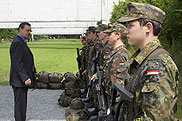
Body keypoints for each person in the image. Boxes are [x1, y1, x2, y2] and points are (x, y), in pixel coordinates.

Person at [117, 2, 179, 120]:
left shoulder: (158, 65)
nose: (125, 31)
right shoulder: (143, 60)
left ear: (148, 27)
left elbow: (156, 118)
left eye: (130, 26)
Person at [10, 22, 36, 121]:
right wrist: (25, 77)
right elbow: (17, 63)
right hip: (19, 80)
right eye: (27, 30)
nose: (29, 32)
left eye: (30, 31)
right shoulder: (17, 42)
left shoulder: (21, 41)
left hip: (21, 80)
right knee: (20, 106)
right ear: (20, 29)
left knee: (22, 105)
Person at [104, 23, 128, 96]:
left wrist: (115, 104)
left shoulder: (120, 55)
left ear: (118, 35)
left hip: (115, 99)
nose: (107, 37)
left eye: (110, 35)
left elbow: (119, 84)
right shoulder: (115, 53)